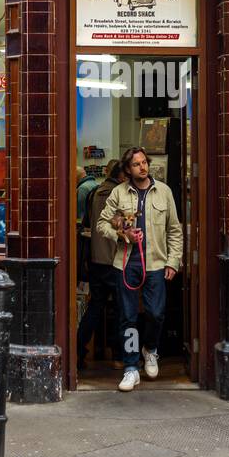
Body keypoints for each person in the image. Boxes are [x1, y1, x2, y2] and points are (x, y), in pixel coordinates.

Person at [96, 146, 183, 392]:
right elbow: (102, 223)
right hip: (126, 263)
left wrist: (172, 261)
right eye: (136, 164)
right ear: (127, 169)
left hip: (156, 263)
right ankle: (132, 367)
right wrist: (122, 235)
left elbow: (175, 230)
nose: (142, 167)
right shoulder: (118, 193)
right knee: (128, 316)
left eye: (144, 162)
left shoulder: (163, 191)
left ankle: (151, 349)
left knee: (156, 313)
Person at [77, 162, 125, 370]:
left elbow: (87, 224)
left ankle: (78, 350)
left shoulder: (94, 192)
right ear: (123, 175)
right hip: (116, 258)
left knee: (95, 307)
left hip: (96, 258)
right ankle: (119, 355)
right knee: (121, 308)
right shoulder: (121, 194)